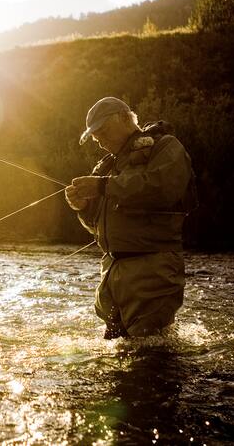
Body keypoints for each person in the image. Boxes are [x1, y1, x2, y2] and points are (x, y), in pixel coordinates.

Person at [65, 97, 196, 338]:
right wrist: (83, 207)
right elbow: (96, 226)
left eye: (103, 131)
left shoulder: (165, 146)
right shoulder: (107, 166)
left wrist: (103, 187)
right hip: (112, 272)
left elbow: (162, 188)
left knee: (151, 356)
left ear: (126, 118)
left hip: (152, 270)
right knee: (116, 352)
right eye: (95, 137)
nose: (100, 141)